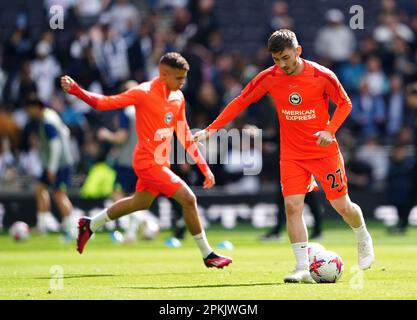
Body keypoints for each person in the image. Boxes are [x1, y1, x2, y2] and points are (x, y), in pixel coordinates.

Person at [193, 29, 375, 283]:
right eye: (277, 59)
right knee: (292, 207)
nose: (282, 64)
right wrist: (211, 129)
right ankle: (302, 268)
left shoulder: (322, 75)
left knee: (342, 206)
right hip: (292, 155)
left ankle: (362, 236)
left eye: (286, 58)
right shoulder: (270, 77)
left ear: (298, 51)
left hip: (323, 152)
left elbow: (345, 104)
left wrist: (330, 130)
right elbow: (241, 100)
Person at [61, 52, 232, 268]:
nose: (183, 82)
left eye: (184, 78)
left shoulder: (178, 98)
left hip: (161, 163)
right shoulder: (142, 93)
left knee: (138, 203)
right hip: (147, 163)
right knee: (189, 199)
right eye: (179, 78)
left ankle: (89, 224)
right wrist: (76, 90)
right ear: (164, 74)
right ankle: (208, 255)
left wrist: (205, 168)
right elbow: (104, 103)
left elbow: (184, 133)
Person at [24, 94, 77, 238]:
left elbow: (55, 144)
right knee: (40, 189)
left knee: (59, 195)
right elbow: (65, 132)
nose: (28, 113)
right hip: (56, 163)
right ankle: (42, 225)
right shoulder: (51, 115)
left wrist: (52, 169)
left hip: (59, 164)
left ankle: (74, 229)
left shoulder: (47, 121)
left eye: (29, 109)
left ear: (36, 108)